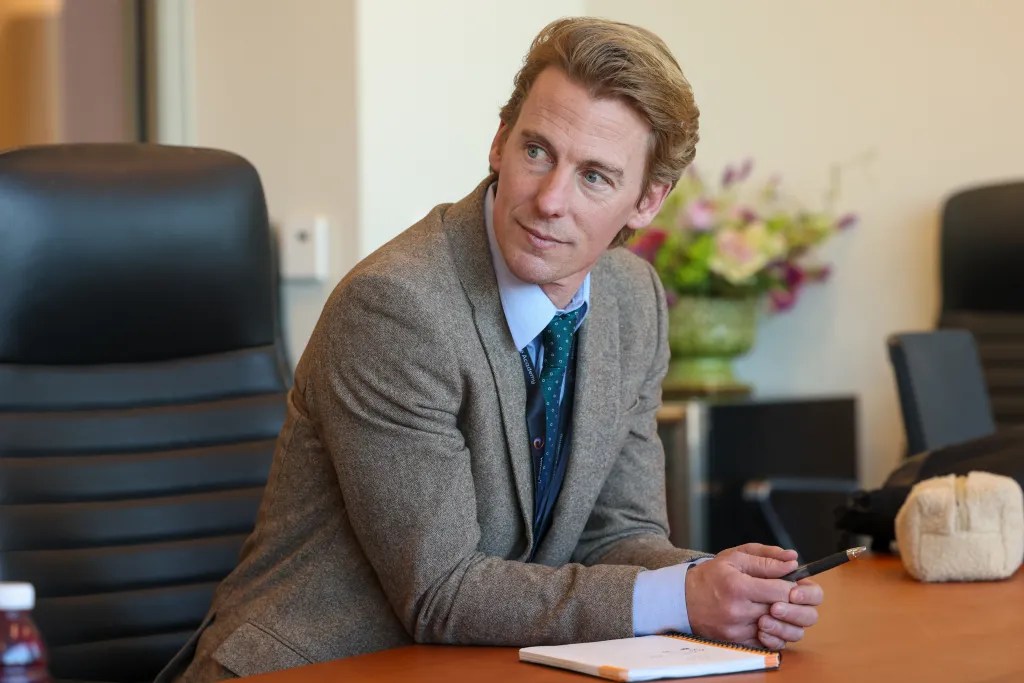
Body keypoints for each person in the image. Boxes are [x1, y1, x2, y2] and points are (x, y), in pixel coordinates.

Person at [158, 17, 822, 683]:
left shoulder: (632, 300)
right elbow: (440, 590)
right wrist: (681, 597)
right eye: (538, 151)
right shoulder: (397, 306)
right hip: (314, 665)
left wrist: (724, 589)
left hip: (479, 663)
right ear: (500, 140)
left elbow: (616, 534)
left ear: (647, 200)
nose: (549, 199)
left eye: (595, 176)